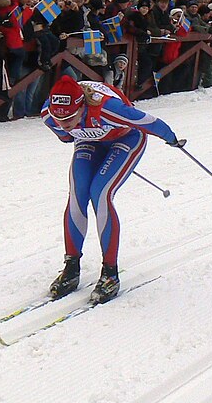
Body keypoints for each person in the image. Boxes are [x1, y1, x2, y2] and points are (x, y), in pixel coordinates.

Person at [43, 74, 181, 304]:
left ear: (82, 106)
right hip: (90, 142)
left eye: (69, 117)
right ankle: (71, 267)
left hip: (126, 139)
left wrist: (172, 138)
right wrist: (77, 130)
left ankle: (110, 273)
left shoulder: (108, 108)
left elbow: (148, 122)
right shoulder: (49, 115)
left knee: (101, 193)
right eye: (59, 118)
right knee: (78, 195)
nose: (63, 123)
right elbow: (66, 137)